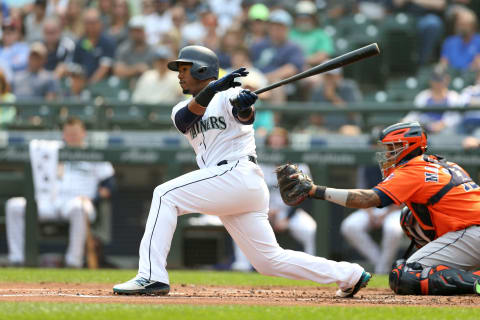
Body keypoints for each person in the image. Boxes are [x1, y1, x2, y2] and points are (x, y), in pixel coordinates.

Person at [113, 45, 371, 298]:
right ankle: (349, 274)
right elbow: (185, 121)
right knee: (269, 261)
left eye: (185, 68)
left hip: (237, 173)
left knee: (164, 194)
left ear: (203, 70)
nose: (179, 74)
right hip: (231, 184)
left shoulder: (230, 94)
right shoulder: (180, 108)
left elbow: (244, 116)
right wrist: (214, 89)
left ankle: (152, 276)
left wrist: (244, 105)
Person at [277, 121, 480, 295]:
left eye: (392, 148)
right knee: (409, 217)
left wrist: (315, 190)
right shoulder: (444, 164)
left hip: (472, 232)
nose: (388, 154)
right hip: (470, 232)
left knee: (406, 275)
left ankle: (475, 283)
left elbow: (367, 199)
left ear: (407, 146)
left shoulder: (413, 169)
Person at [5, 117, 115, 268]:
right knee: (14, 206)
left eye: (75, 133)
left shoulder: (94, 154)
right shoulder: (51, 151)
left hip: (77, 202)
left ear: (83, 133)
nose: (72, 137)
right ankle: (17, 259)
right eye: (68, 134)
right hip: (49, 201)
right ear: (63, 134)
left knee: (80, 208)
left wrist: (93, 198)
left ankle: (73, 262)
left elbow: (109, 185)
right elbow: (34, 148)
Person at [232, 127, 318, 271]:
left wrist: (287, 218)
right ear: (268, 144)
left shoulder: (299, 165)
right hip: (262, 209)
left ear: (286, 145)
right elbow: (248, 191)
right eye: (273, 142)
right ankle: (242, 265)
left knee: (309, 229)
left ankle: (312, 267)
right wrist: (265, 210)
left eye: (280, 143)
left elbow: (304, 195)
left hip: (288, 212)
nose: (276, 146)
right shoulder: (257, 163)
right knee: (239, 225)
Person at [340, 164, 403, 275]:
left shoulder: (399, 164)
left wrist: (385, 215)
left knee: (393, 230)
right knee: (349, 226)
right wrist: (370, 213)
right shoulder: (365, 166)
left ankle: (382, 268)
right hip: (370, 208)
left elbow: (403, 198)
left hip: (393, 209)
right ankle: (381, 264)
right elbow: (360, 192)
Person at [250, 9, 304, 103]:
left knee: (276, 85)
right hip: (256, 79)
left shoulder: (293, 47)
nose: (276, 30)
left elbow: (291, 69)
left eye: (280, 27)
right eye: (273, 26)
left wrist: (264, 78)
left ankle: (276, 118)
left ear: (287, 29)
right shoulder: (258, 45)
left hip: (280, 83)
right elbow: (247, 62)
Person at [402, 67, 462, 134]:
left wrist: (444, 124)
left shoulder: (454, 96)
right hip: (424, 130)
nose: (437, 82)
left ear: (447, 79)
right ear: (431, 80)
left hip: (445, 132)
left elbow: (456, 117)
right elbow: (414, 114)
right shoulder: (423, 95)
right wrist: (405, 122)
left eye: (440, 79)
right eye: (435, 79)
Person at [72, 7, 115, 83]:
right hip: (82, 82)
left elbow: (105, 67)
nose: (91, 26)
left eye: (93, 23)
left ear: (100, 23)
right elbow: (76, 65)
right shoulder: (80, 43)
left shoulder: (107, 42)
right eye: (88, 23)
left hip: (103, 83)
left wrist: (90, 84)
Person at [113, 16, 155, 86]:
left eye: (139, 30)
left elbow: (159, 71)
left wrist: (147, 72)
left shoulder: (152, 50)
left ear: (144, 31)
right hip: (126, 85)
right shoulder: (123, 49)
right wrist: (137, 69)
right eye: (134, 31)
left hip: (148, 86)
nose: (137, 34)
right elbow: (118, 71)